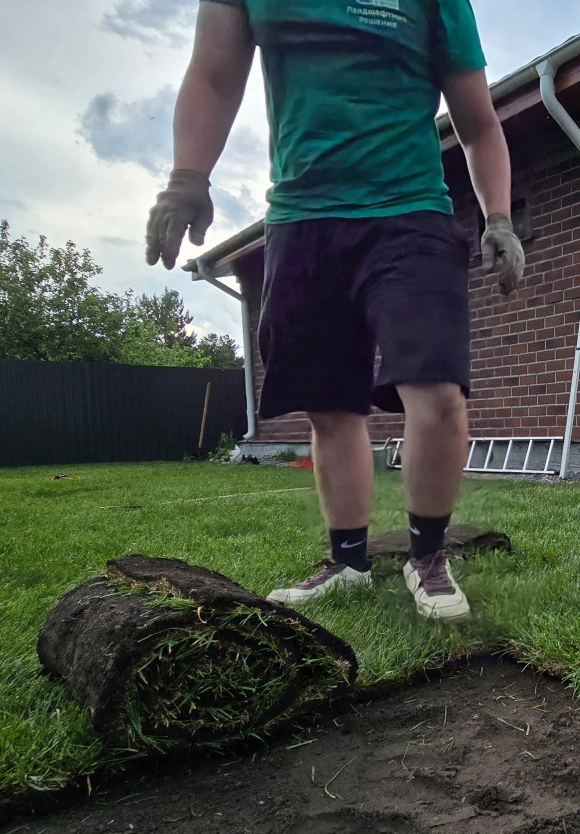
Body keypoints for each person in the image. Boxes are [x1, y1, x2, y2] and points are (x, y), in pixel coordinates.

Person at [144, 0, 525, 620]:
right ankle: (347, 561)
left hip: (411, 214)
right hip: (303, 218)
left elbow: (479, 123)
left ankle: (427, 556)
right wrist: (189, 177)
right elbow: (214, 76)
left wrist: (500, 218)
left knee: (438, 392)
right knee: (330, 403)